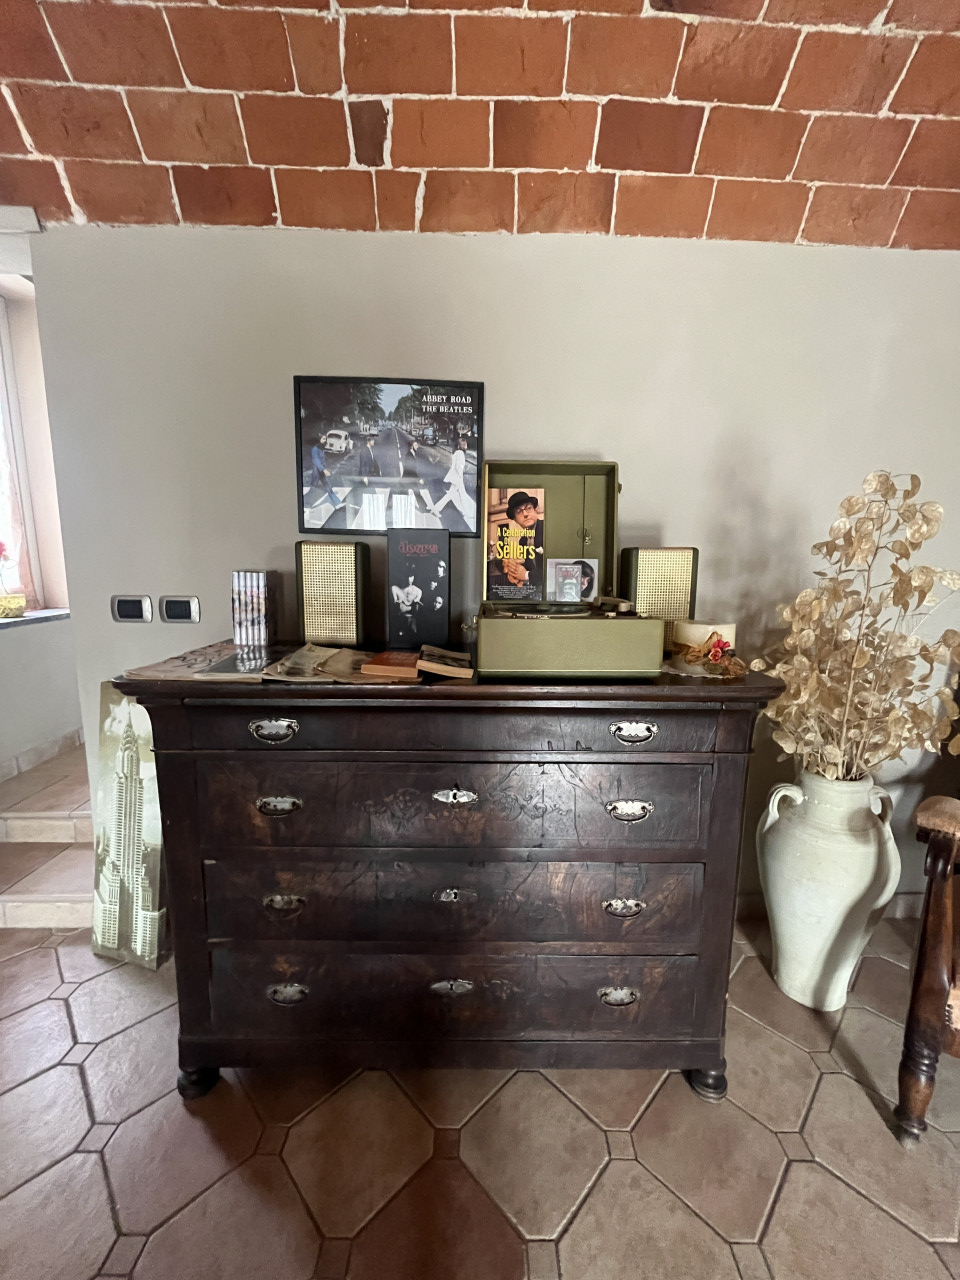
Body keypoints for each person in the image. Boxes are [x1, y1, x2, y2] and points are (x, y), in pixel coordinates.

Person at [489, 491, 544, 595]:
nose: (525, 514)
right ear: (515, 520)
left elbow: (554, 569)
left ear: (535, 510)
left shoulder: (547, 529)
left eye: (528, 508)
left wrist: (526, 575)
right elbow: (529, 568)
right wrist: (514, 573)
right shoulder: (522, 540)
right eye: (519, 511)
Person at [428, 438, 475, 525]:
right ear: (462, 445)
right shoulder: (460, 453)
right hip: (458, 478)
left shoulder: (456, 452)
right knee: (458, 495)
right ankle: (467, 513)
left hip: (455, 477)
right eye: (465, 444)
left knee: (456, 495)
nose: (466, 445)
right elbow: (459, 467)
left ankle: (437, 509)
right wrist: (460, 477)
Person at [308, 435, 342, 509]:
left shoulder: (321, 448)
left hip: (321, 471)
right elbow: (316, 460)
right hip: (316, 472)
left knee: (328, 487)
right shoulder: (315, 449)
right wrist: (323, 469)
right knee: (313, 489)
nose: (325, 440)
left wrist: (325, 468)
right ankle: (306, 504)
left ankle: (337, 503)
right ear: (319, 439)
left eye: (325, 439)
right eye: (323, 439)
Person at [390, 573, 422, 640]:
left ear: (413, 577)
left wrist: (410, 605)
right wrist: (397, 601)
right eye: (407, 576)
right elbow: (395, 604)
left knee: (414, 634)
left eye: (410, 576)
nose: (408, 579)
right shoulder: (396, 589)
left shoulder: (418, 591)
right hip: (399, 617)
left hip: (412, 616)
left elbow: (416, 607)